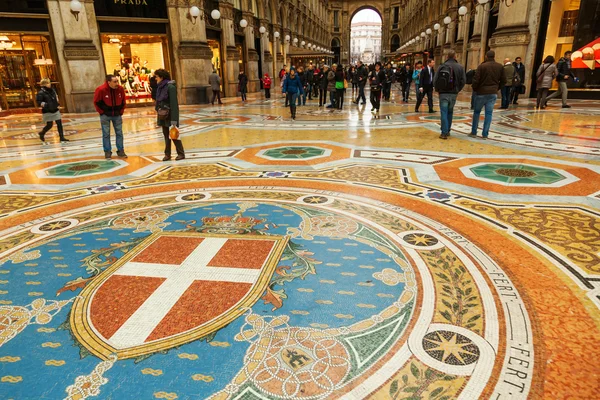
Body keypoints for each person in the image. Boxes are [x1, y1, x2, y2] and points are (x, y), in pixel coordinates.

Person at [470, 50, 505, 139]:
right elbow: (504, 80)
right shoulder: (500, 66)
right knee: (489, 114)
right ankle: (485, 134)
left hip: (481, 92)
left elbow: (476, 80)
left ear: (486, 56)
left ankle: (474, 132)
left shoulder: (482, 66)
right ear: (494, 56)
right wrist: (497, 88)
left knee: (477, 112)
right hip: (492, 93)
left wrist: (475, 89)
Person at [433, 50, 466, 140]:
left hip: (443, 93)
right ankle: (447, 130)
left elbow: (435, 80)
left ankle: (444, 133)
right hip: (453, 93)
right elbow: (463, 81)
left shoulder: (442, 66)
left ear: (447, 57)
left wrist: (438, 90)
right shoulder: (460, 67)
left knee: (444, 112)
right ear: (455, 57)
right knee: (450, 112)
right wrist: (457, 90)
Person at [93, 74, 127, 159]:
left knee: (119, 133)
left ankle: (121, 150)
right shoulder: (101, 90)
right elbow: (96, 102)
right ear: (109, 82)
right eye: (114, 82)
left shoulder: (120, 89)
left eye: (117, 81)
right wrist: (102, 112)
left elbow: (123, 101)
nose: (117, 83)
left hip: (117, 115)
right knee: (106, 134)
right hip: (105, 115)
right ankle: (107, 152)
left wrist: (121, 111)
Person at [154, 69, 184, 161]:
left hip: (170, 114)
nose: (155, 79)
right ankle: (167, 154)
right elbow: (159, 101)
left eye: (156, 77)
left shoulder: (170, 87)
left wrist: (174, 120)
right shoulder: (160, 87)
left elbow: (174, 105)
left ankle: (181, 153)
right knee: (166, 135)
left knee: (174, 134)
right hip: (162, 114)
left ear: (161, 77)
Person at [36, 78, 68, 143]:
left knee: (59, 123)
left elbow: (56, 97)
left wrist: (57, 104)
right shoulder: (41, 93)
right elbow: (39, 101)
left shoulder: (53, 90)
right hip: (48, 111)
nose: (49, 84)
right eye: (48, 83)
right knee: (49, 125)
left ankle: (62, 137)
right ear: (44, 84)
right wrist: (46, 105)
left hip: (55, 109)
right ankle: (42, 133)